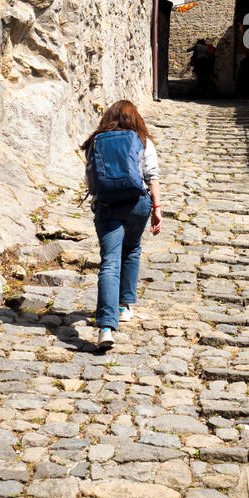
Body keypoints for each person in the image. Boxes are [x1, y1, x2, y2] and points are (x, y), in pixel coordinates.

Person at [81, 100, 162, 353]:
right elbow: (152, 175)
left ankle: (105, 326)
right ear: (136, 118)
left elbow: (90, 178)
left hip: (107, 205)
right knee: (132, 248)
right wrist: (157, 209)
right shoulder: (142, 139)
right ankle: (124, 306)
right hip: (137, 204)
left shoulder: (97, 140)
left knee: (109, 262)